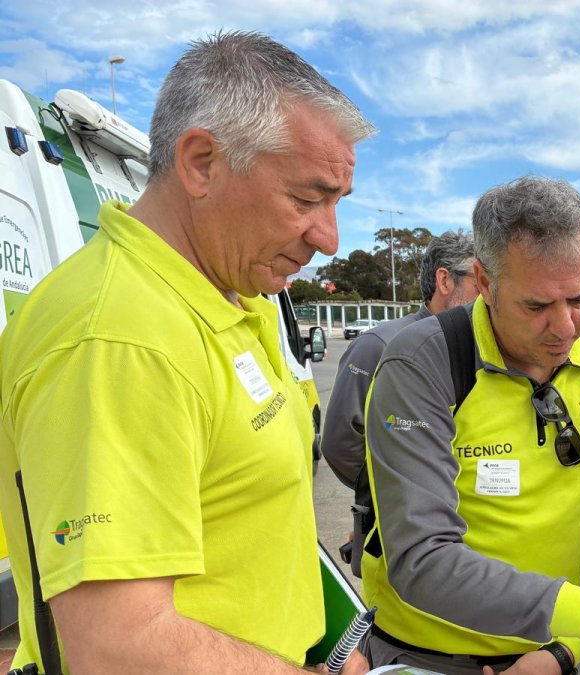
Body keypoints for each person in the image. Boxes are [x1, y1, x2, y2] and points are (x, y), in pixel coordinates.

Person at [0, 31, 375, 674]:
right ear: (201, 161)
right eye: (307, 199)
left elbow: (248, 510)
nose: (329, 237)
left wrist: (330, 639)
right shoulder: (119, 339)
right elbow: (115, 647)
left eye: (335, 203)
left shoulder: (234, 295)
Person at [359, 177, 580, 675]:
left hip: (558, 652)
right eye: (536, 306)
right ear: (484, 283)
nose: (564, 327)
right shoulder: (423, 363)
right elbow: (420, 557)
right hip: (422, 656)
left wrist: (565, 651)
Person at [322, 229, 479, 576]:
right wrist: (392, 494)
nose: (489, 294)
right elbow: (340, 441)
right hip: (402, 547)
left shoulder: (480, 349)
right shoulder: (380, 344)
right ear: (445, 281)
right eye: (479, 281)